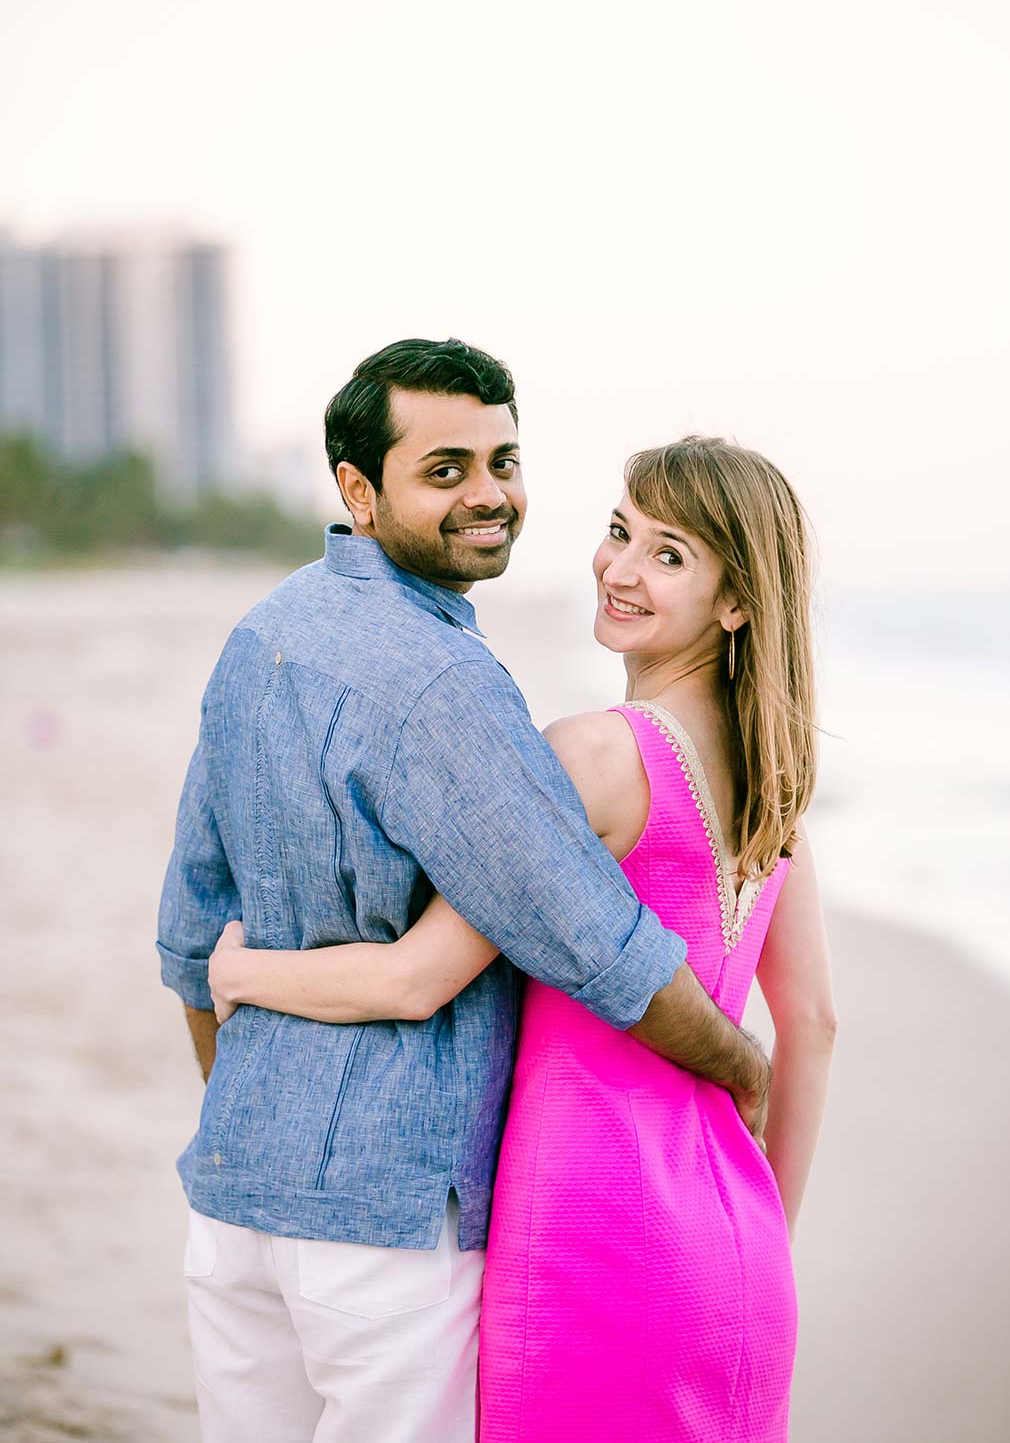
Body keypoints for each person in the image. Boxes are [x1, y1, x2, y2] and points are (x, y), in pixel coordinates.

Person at [158, 339, 772, 1443]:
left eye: (504, 459)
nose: (489, 494)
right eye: (445, 469)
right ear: (359, 489)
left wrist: (255, 1110)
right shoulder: (448, 683)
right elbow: (595, 939)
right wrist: (739, 1063)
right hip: (388, 1227)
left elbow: (189, 934)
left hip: (235, 1199)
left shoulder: (262, 638)